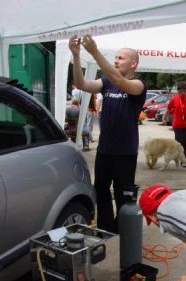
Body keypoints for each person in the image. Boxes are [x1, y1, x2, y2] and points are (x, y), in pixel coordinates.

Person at [69, 34, 147, 233]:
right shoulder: (106, 82)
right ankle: (106, 230)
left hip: (125, 153)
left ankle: (123, 231)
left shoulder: (138, 85)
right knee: (101, 192)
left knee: (123, 195)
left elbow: (120, 82)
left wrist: (94, 52)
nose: (116, 60)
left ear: (134, 64)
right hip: (105, 150)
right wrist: (76, 56)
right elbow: (81, 85)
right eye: (116, 57)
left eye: (121, 58)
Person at [162, 82, 186, 166]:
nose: (182, 93)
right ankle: (182, 160)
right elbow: (168, 109)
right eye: (180, 91)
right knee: (180, 143)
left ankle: (185, 158)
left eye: (184, 91)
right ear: (178, 91)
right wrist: (164, 117)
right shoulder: (174, 99)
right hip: (177, 125)